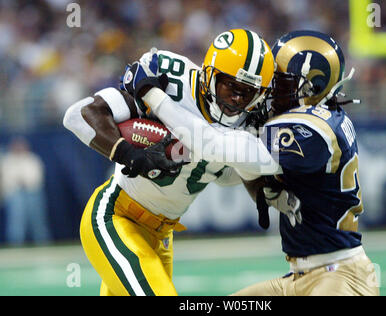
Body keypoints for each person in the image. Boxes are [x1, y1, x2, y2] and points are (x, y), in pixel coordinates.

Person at [139, 30, 379, 296]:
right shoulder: (324, 117)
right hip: (302, 276)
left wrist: (153, 95)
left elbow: (214, 144)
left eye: (282, 83)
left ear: (312, 87)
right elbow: (242, 161)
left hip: (340, 276)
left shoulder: (311, 128)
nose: (271, 91)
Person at [63, 28, 276, 296]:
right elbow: (78, 115)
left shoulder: (252, 123)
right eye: (230, 86)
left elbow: (229, 176)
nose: (236, 99)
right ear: (209, 75)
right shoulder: (172, 82)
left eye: (247, 93)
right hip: (116, 216)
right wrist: (129, 154)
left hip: (162, 237)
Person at [0, 137, 50, 245]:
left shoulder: (32, 159)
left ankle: (42, 243)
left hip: (32, 193)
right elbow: (6, 179)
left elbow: (37, 177)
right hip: (15, 195)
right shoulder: (8, 160)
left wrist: (25, 182)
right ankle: (16, 243)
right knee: (16, 221)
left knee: (37, 221)